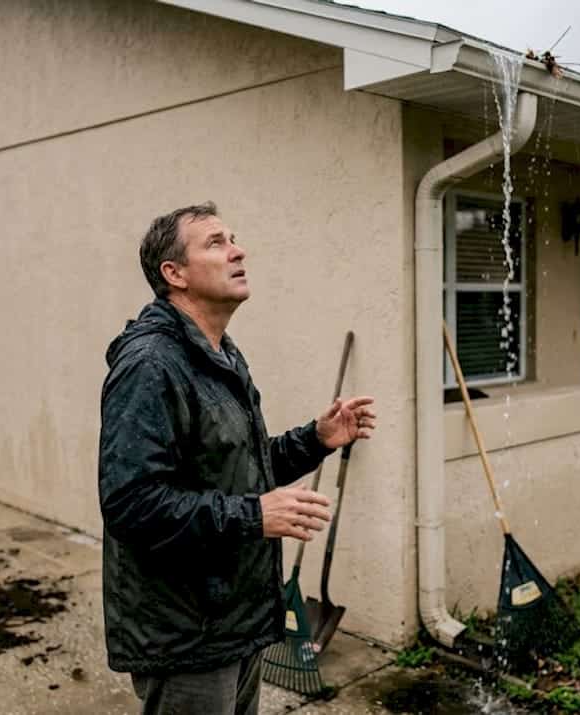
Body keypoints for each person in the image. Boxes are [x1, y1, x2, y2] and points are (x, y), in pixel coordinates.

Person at [98, 202, 375, 715]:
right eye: (216, 243)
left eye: (234, 238)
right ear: (174, 274)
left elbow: (238, 466)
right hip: (186, 635)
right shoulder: (150, 366)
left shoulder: (219, 352)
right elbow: (131, 505)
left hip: (235, 620)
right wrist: (255, 515)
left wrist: (315, 439)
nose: (238, 250)